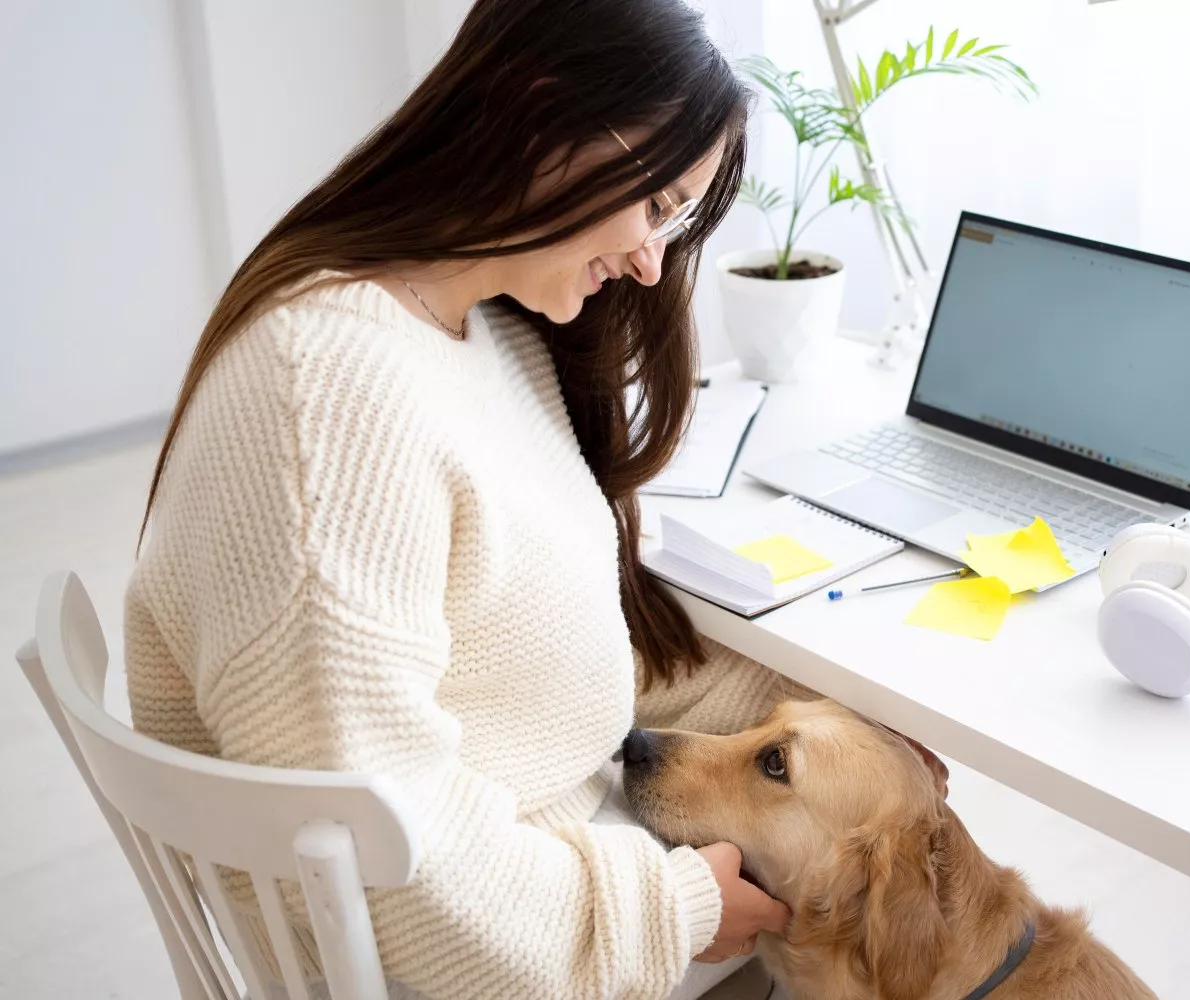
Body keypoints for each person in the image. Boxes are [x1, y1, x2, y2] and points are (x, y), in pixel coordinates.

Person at [124, 1, 807, 997]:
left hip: (552, 870)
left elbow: (550, 655)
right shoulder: (327, 399)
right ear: (540, 115)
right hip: (478, 957)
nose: (654, 262)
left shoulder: (487, 326)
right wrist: (679, 906)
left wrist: (807, 716)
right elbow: (394, 875)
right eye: (657, 205)